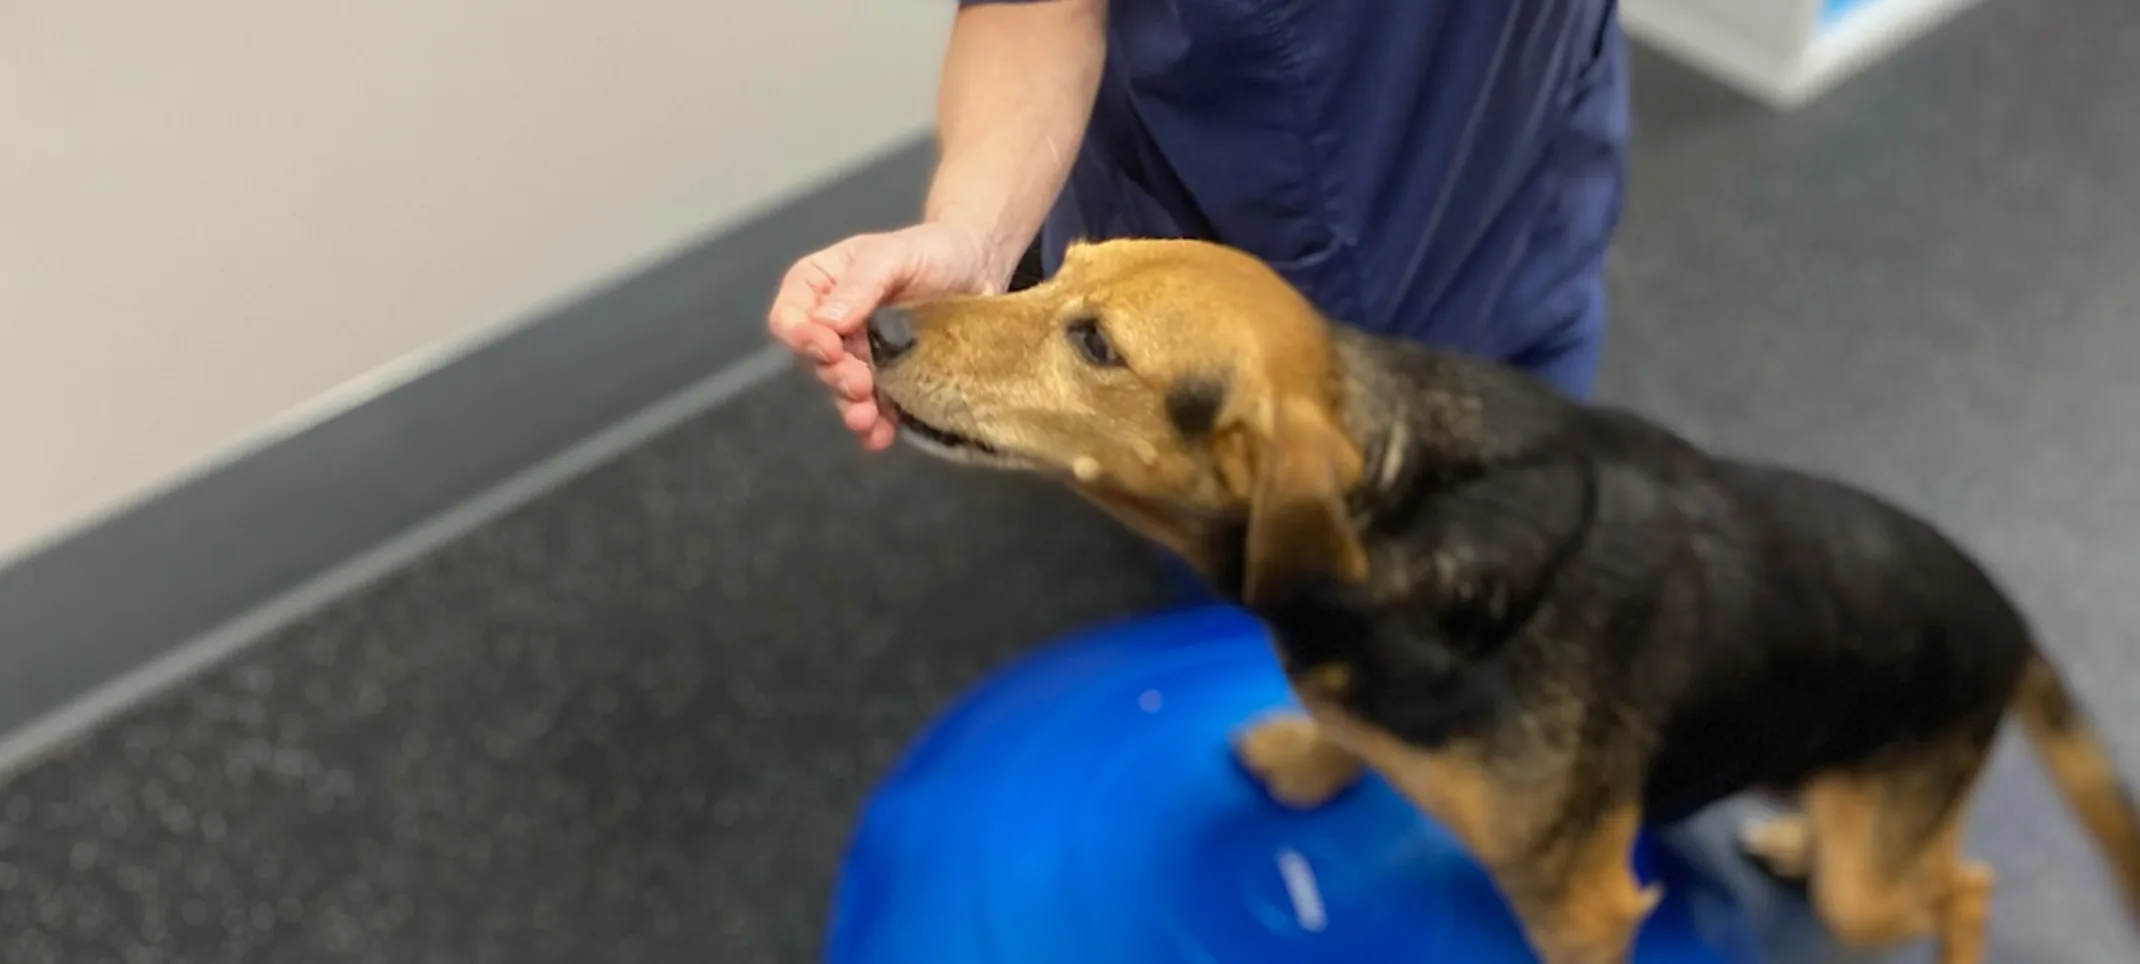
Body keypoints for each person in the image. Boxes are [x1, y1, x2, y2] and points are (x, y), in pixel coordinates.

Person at [769, 0, 1628, 453]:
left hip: (1524, 154)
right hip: (1233, 196)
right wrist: (977, 234)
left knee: (1522, 493)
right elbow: (1043, 8)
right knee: (1263, 558)